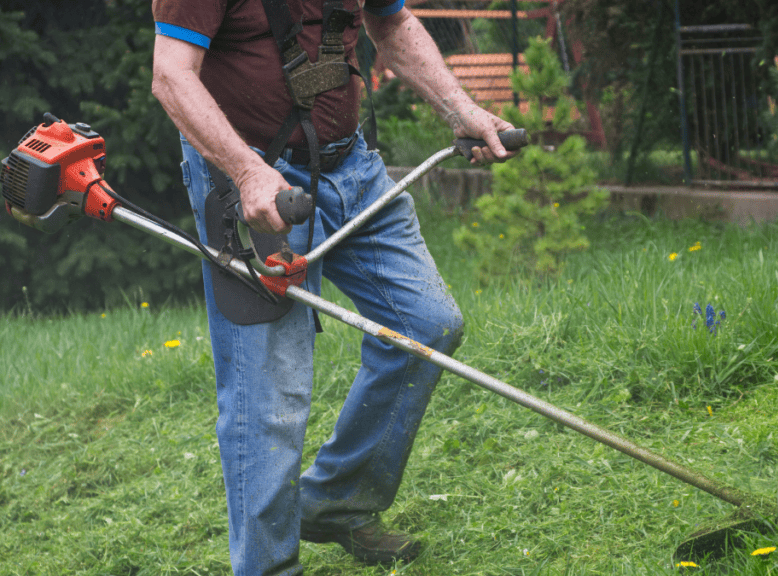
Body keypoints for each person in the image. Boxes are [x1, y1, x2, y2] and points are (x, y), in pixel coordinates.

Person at [150, 0, 515, 573]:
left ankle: (336, 502)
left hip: (353, 169)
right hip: (256, 180)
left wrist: (460, 108)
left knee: (425, 325)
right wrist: (245, 172)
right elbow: (171, 75)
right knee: (270, 391)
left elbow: (390, 22)